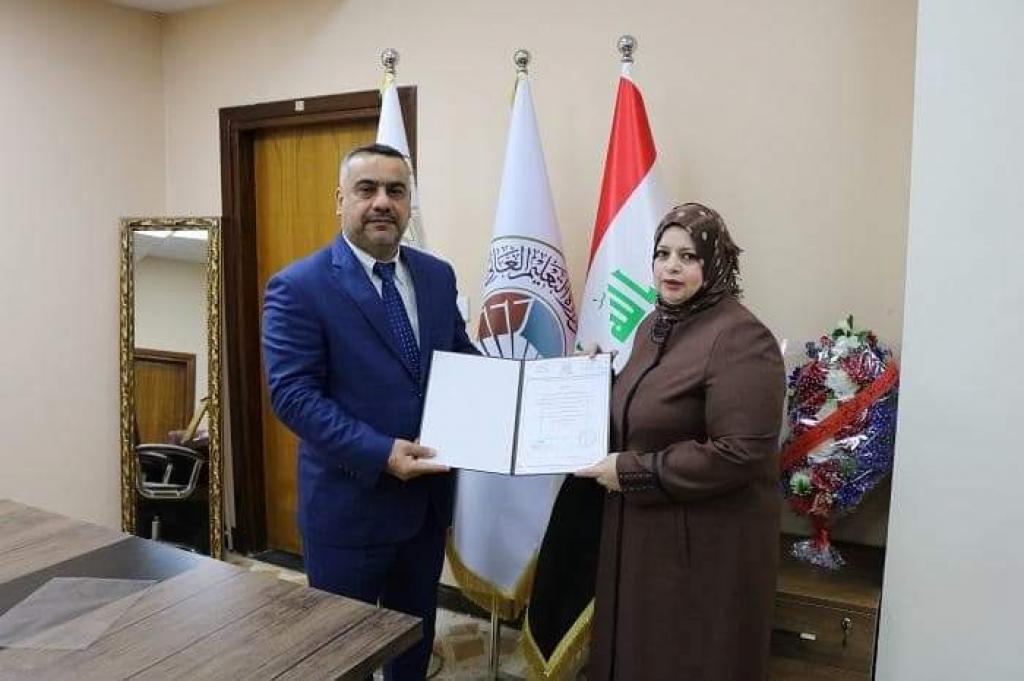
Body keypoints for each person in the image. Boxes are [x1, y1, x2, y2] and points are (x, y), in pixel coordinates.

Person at [261, 143, 477, 681]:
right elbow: (293, 396)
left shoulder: (437, 277)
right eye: (367, 189)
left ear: (408, 204)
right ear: (340, 200)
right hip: (348, 512)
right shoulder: (299, 287)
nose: (382, 201)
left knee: (412, 651)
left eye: (396, 191)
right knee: (341, 658)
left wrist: (549, 383)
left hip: (425, 511)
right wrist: (381, 453)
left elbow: (463, 362)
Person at [576, 203, 786, 681]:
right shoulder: (654, 324)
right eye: (663, 253)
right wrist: (594, 382)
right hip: (643, 534)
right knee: (636, 652)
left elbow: (741, 453)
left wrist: (631, 472)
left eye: (688, 256)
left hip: (699, 549)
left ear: (714, 263)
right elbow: (650, 409)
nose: (671, 267)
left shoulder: (741, 337)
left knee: (679, 657)